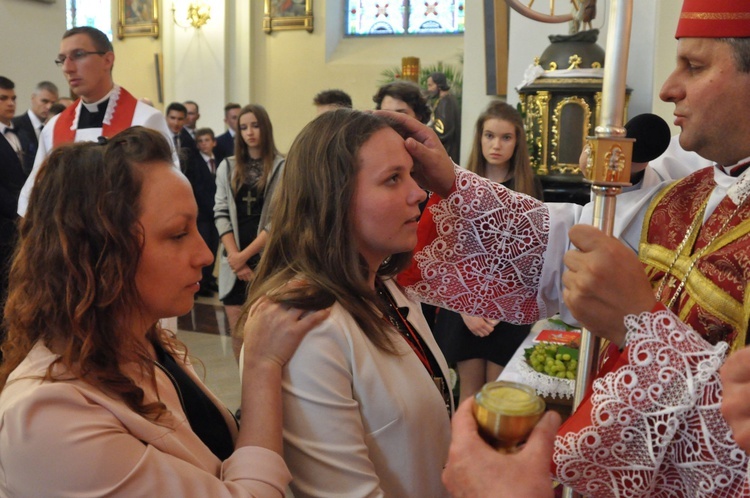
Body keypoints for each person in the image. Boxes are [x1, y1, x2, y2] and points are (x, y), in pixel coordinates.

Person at [395, 0, 750, 494]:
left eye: (694, 65)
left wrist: (643, 327)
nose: (669, 88)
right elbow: (566, 255)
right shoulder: (683, 196)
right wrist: (452, 186)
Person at [0, 126, 330, 496]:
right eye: (177, 234)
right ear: (98, 253)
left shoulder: (142, 342)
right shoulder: (51, 418)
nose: (205, 255)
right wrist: (260, 364)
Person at [244, 109, 453, 497]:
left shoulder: (385, 286)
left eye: (410, 174)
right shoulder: (307, 325)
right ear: (333, 197)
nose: (419, 193)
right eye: (393, 179)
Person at [432, 101, 544, 402]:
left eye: (506, 137)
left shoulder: (528, 186)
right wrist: (467, 308)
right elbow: (449, 252)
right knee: (468, 398)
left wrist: (499, 306)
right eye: (489, 135)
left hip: (507, 308)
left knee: (497, 397)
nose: (496, 144)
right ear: (479, 138)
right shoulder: (460, 184)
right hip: (464, 306)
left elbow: (531, 256)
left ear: (517, 141)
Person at [17, 26, 176, 216]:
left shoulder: (145, 120)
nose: (67, 68)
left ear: (107, 60)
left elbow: (167, 191)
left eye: (78, 55)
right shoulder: (54, 127)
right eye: (62, 59)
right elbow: (35, 195)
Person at [214, 104, 284, 361]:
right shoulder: (227, 166)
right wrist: (235, 257)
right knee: (239, 335)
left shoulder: (282, 166)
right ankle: (247, 396)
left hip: (266, 257)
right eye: (243, 127)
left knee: (266, 334)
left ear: (265, 127)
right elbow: (220, 211)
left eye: (255, 125)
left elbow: (279, 218)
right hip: (233, 262)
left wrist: (246, 256)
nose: (249, 132)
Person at [0, 76, 27, 345]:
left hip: (19, 228)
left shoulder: (20, 132)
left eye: (12, 98)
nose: (10, 103)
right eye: (3, 98)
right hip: (5, 226)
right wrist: (20, 214)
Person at [188, 127, 220, 296]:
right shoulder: (195, 163)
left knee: (214, 246)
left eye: (206, 140)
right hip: (203, 214)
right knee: (204, 247)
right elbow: (198, 189)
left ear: (213, 142)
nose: (203, 144)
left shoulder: (219, 160)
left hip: (217, 213)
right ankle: (201, 284)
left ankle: (209, 280)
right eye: (200, 141)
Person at [12, 80, 58, 174]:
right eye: (44, 101)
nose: (49, 106)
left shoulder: (53, 127)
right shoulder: (15, 125)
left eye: (53, 103)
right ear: (33, 98)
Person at [427, 71, 461, 163]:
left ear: (439, 85)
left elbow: (442, 130)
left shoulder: (446, 102)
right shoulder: (445, 100)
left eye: (430, 85)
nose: (428, 89)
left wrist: (425, 130)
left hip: (447, 153)